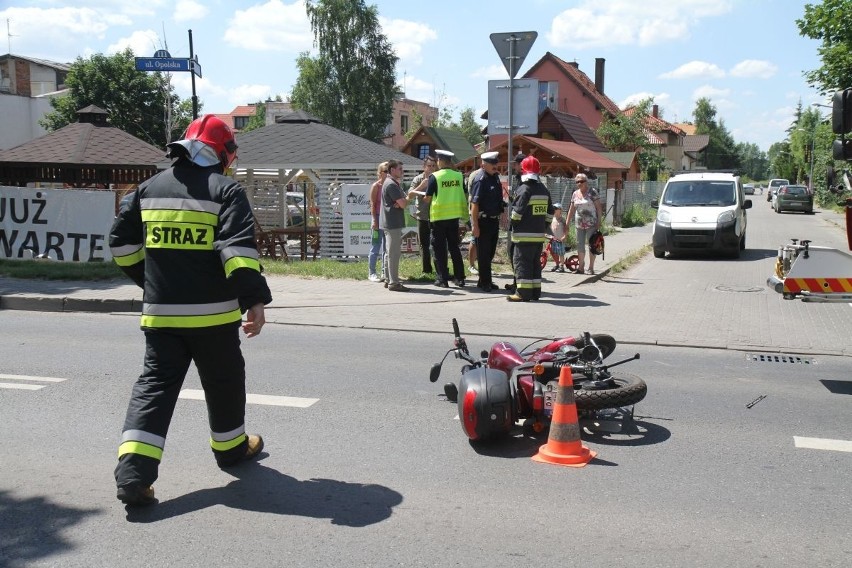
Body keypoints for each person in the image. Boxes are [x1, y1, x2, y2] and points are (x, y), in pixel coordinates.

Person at [109, 115, 272, 506]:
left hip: (161, 317)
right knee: (224, 382)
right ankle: (231, 449)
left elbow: (120, 244)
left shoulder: (147, 189)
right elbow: (236, 252)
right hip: (213, 318)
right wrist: (254, 300)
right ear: (225, 154)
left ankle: (133, 477)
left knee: (154, 389)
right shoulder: (225, 191)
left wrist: (150, 282)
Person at [507, 155, 553, 302]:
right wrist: (543, 226)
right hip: (539, 236)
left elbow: (516, 214)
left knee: (522, 264)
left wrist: (513, 223)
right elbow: (550, 213)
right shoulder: (544, 190)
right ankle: (535, 293)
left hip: (523, 236)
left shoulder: (524, 189)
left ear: (523, 170)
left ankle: (522, 293)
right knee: (535, 265)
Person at [423, 149, 468, 288]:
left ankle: (442, 279)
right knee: (454, 248)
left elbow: (428, 198)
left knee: (439, 250)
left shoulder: (435, 177)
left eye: (437, 160)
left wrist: (422, 196)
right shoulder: (459, 176)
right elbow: (464, 194)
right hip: (454, 217)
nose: (436, 163)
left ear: (441, 161)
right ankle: (460, 278)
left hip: (438, 218)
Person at [469, 151, 504, 291]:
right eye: (492, 164)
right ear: (484, 165)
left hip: (493, 221)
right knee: (483, 254)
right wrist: (475, 225)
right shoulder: (480, 179)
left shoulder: (495, 177)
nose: (495, 166)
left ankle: (485, 280)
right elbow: (474, 205)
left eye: (496, 163)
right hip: (483, 222)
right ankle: (485, 282)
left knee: (489, 253)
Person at [380, 159, 412, 292]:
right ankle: (394, 282)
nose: (402, 172)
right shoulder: (391, 184)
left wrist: (402, 201)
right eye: (400, 169)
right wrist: (406, 200)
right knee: (394, 253)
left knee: (389, 253)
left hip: (390, 222)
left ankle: (388, 280)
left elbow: (402, 202)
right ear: (392, 170)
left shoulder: (391, 183)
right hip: (392, 223)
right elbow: (404, 203)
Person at [566, 172, 603, 275]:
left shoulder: (592, 192)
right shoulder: (575, 194)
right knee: (580, 245)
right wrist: (567, 223)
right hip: (579, 224)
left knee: (592, 245)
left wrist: (599, 222)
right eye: (577, 182)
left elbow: (599, 208)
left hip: (591, 224)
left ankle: (591, 268)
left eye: (581, 181)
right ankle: (581, 267)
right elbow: (571, 209)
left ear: (586, 182)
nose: (579, 183)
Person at [408, 156, 436, 274]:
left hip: (437, 216)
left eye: (434, 166)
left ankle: (440, 270)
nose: (431, 168)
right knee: (424, 245)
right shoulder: (418, 179)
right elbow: (409, 195)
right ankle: (427, 270)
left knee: (437, 244)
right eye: (429, 166)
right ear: (424, 167)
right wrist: (422, 185)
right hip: (423, 217)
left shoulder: (438, 178)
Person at [368, 162, 389, 282]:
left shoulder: (390, 185)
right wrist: (374, 221)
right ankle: (372, 272)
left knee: (387, 248)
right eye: (385, 171)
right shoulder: (376, 186)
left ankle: (384, 272)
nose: (387, 173)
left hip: (388, 219)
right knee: (375, 246)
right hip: (377, 217)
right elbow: (372, 204)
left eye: (389, 171)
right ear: (380, 173)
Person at [547, 203, 567, 272]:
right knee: (553, 252)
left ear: (560, 210)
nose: (554, 210)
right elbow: (549, 228)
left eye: (556, 209)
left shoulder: (562, 220)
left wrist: (565, 236)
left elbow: (566, 229)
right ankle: (557, 264)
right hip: (553, 239)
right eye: (553, 208)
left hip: (560, 239)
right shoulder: (552, 218)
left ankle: (562, 266)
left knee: (560, 253)